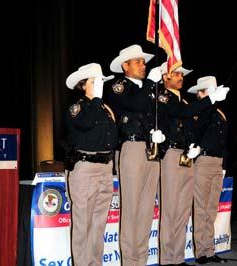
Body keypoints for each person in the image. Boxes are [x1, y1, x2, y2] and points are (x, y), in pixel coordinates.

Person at [157, 64, 229, 266]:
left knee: (181, 211)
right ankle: (168, 258)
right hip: (172, 154)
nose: (180, 77)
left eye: (182, 74)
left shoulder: (186, 102)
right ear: (165, 77)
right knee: (172, 209)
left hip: (186, 155)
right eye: (176, 73)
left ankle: (177, 258)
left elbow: (194, 128)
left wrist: (192, 146)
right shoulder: (164, 98)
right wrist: (210, 101)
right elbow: (185, 114)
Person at [106, 44, 165, 266]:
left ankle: (140, 260)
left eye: (144, 61)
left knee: (147, 209)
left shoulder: (149, 90)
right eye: (138, 62)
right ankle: (130, 262)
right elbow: (134, 104)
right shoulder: (119, 86)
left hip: (151, 150)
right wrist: (150, 82)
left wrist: (161, 137)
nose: (143, 65)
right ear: (125, 66)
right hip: (131, 149)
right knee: (131, 209)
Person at [64, 63, 117, 266]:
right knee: (82, 225)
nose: (100, 85)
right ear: (84, 84)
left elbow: (112, 137)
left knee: (98, 225)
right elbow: (86, 124)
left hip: (104, 168)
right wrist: (95, 101)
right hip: (85, 168)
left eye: (101, 81)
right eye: (95, 81)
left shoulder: (105, 108)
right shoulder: (77, 108)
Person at [187, 76, 228, 264]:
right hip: (203, 161)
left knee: (212, 209)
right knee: (201, 209)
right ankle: (200, 252)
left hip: (217, 162)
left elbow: (224, 141)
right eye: (206, 91)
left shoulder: (219, 113)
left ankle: (210, 249)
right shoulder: (200, 113)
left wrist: (224, 165)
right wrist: (209, 105)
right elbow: (196, 129)